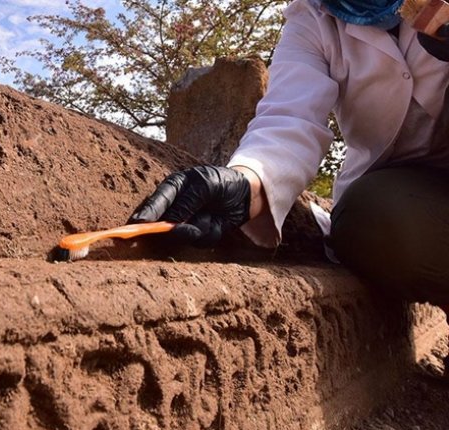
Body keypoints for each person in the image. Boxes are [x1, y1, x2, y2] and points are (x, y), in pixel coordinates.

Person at [128, 0, 448, 371]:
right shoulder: (313, 19)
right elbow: (290, 114)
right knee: (373, 218)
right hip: (409, 192)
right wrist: (249, 180)